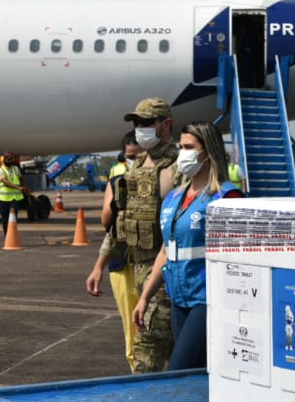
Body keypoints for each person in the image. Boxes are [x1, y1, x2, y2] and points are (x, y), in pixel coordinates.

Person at [132, 122, 243, 371]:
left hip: (208, 300)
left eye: (189, 147)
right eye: (181, 147)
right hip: (179, 300)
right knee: (196, 373)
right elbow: (165, 252)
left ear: (208, 152)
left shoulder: (226, 197)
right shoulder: (173, 198)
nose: (183, 154)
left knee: (178, 370)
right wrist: (145, 298)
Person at [85, 98, 178, 373]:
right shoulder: (137, 166)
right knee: (165, 350)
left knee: (146, 350)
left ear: (166, 125)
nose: (139, 128)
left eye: (146, 122)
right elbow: (122, 220)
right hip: (137, 268)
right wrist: (99, 265)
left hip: (165, 271)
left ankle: (145, 397)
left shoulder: (179, 165)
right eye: (136, 123)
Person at [100, 131, 142, 366]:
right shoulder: (117, 182)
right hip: (123, 261)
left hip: (151, 262)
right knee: (131, 327)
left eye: (139, 156)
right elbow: (108, 225)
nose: (134, 161)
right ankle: (136, 369)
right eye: (130, 157)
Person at [0, 151, 27, 233]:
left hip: (15, 198)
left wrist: (26, 189)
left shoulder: (16, 169)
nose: (10, 161)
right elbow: (5, 182)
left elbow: (21, 179)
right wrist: (18, 187)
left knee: (13, 216)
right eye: (9, 159)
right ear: (4, 159)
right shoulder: (0, 170)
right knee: (5, 220)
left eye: (11, 159)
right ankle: (7, 237)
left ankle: (13, 235)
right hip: (4, 199)